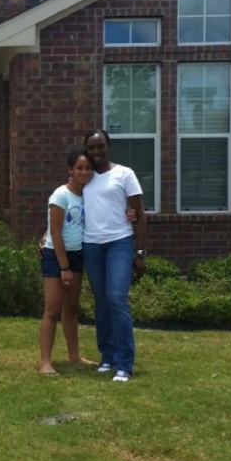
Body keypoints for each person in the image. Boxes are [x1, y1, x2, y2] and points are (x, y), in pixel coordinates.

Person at [80, 129, 147, 382]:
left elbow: (139, 214)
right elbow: (68, 206)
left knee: (117, 298)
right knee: (101, 302)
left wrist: (140, 252)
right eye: (91, 147)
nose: (96, 152)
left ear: (108, 146)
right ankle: (107, 357)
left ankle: (125, 364)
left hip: (119, 243)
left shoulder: (124, 174)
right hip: (92, 245)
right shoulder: (85, 177)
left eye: (100, 146)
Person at [38, 149, 95, 375]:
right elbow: (56, 232)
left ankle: (74, 355)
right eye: (79, 168)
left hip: (78, 255)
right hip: (56, 256)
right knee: (52, 310)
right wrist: (64, 268)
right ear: (70, 170)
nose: (84, 172)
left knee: (70, 309)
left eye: (88, 168)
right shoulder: (60, 195)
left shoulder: (89, 195)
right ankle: (45, 362)